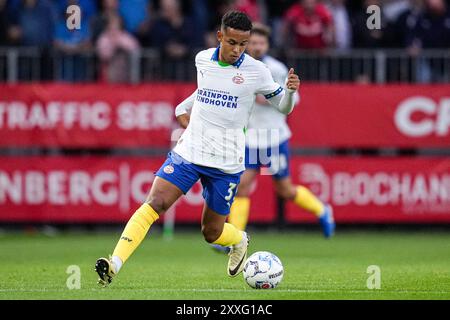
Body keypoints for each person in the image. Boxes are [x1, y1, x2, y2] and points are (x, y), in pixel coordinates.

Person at [94, 11, 301, 286]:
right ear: (220, 37)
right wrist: (184, 108)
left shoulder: (257, 71)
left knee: (211, 232)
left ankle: (239, 239)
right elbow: (204, 92)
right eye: (232, 42)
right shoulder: (202, 59)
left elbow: (284, 109)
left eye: (243, 44)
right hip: (190, 152)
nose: (238, 50)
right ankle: (114, 264)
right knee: (155, 203)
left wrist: (289, 92)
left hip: (226, 162)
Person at [213, 24, 335, 256]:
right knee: (242, 186)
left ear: (267, 45)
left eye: (262, 43)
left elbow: (293, 100)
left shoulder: (277, 69)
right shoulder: (239, 67)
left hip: (272, 138)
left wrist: (272, 97)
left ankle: (322, 210)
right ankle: (234, 238)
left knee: (285, 190)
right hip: (250, 140)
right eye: (254, 43)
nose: (258, 47)